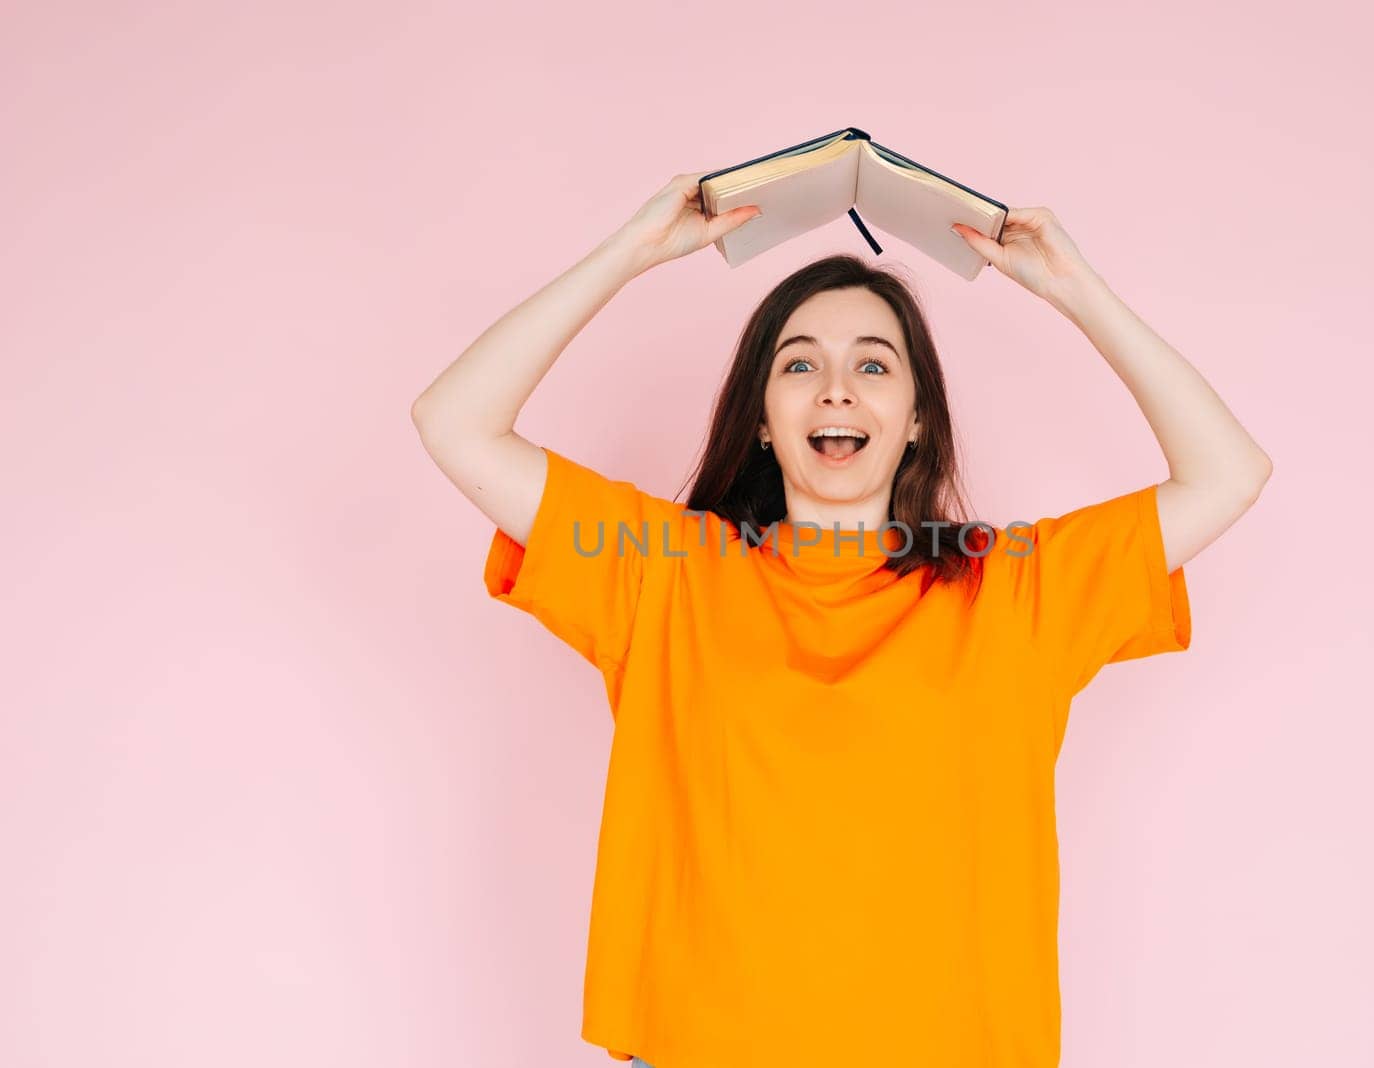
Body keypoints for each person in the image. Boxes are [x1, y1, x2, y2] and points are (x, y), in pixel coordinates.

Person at [411, 172, 1271, 1068]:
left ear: (916, 423)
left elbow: (1228, 474)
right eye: (798, 364)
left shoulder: (1013, 587)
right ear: (763, 425)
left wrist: (1076, 292)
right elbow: (454, 421)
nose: (835, 389)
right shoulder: (663, 571)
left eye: (872, 363)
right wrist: (627, 256)